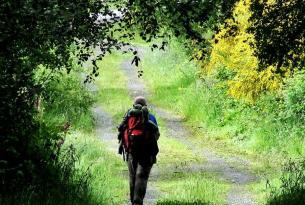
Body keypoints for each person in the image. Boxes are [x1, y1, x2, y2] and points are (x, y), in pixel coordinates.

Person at [117, 96, 159, 205]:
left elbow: (122, 133)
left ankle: (133, 201)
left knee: (132, 176)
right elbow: (156, 135)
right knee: (142, 176)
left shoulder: (129, 118)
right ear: (145, 106)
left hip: (131, 151)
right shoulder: (150, 117)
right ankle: (137, 201)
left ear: (134, 105)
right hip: (147, 152)